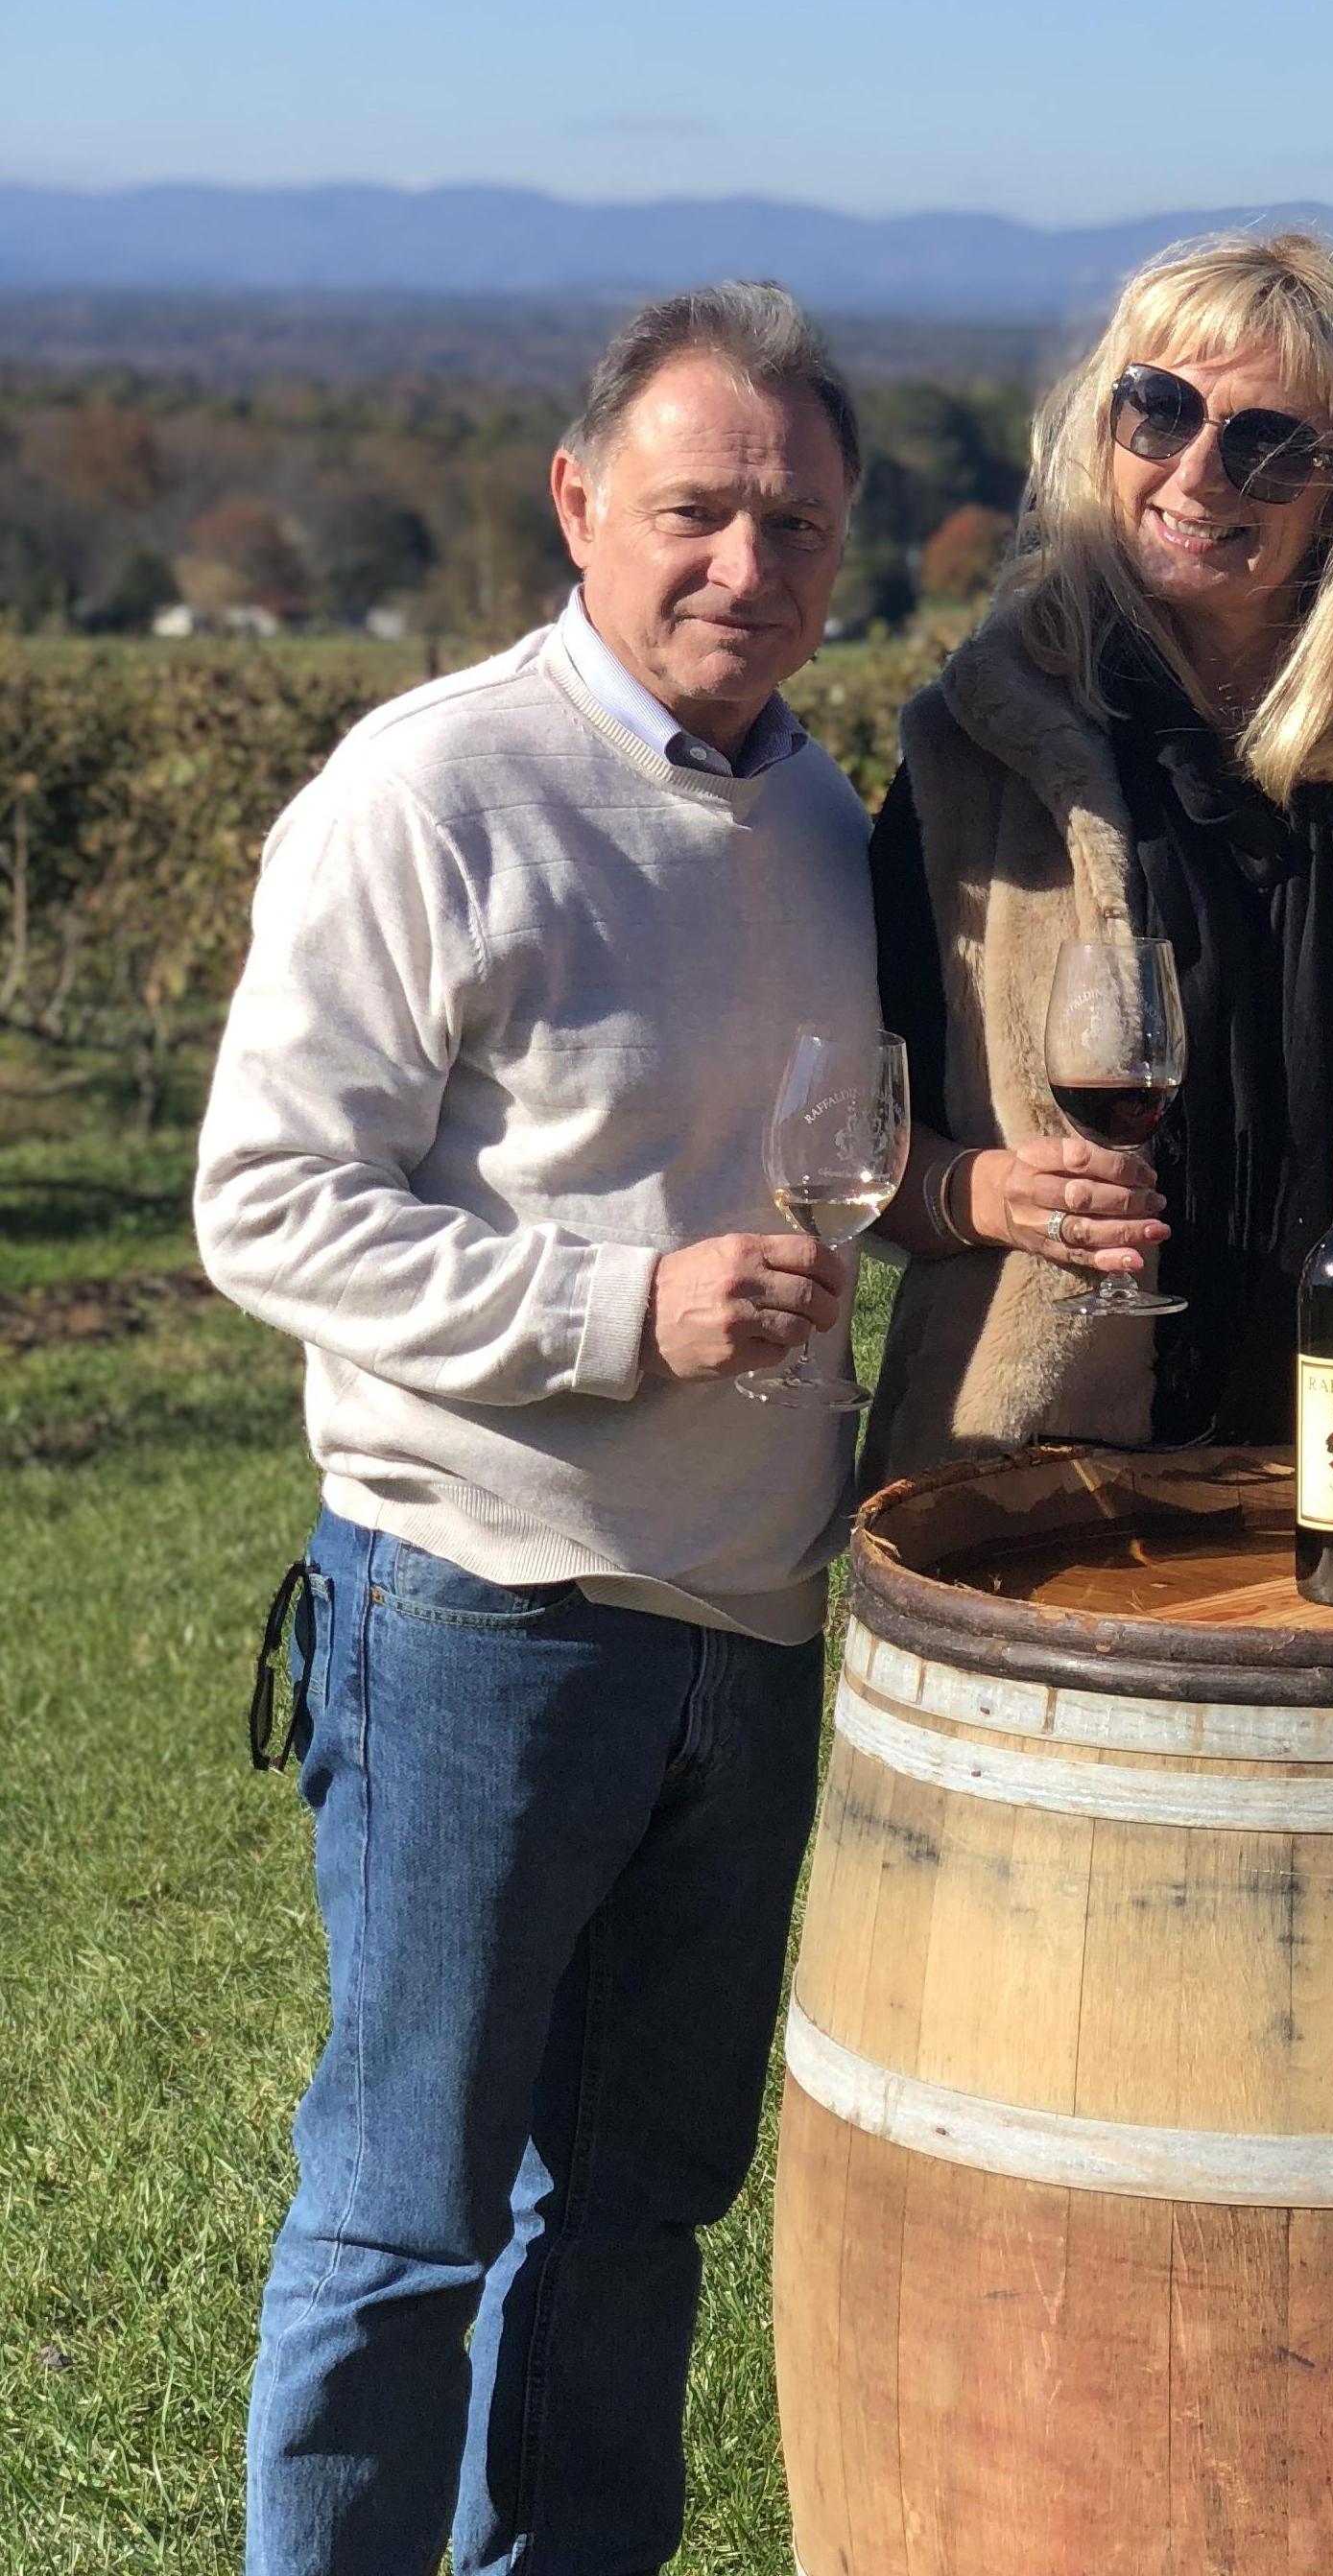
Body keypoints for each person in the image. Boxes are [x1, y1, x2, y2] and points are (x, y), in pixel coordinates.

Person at [196, 283, 882, 2570]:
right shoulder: (433, 789)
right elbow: (266, 1202)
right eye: (697, 510)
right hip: (481, 1608)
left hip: (748, 1624)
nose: (745, 565)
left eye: (796, 525)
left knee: (635, 2214)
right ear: (578, 502)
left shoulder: (824, 819)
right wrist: (615, 1307)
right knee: (404, 2215)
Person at [862, 229, 1333, 1474]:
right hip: (1041, 1474)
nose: (1199, 471)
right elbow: (843, 1133)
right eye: (1159, 409)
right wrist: (984, 1195)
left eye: (1268, 443)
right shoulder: (980, 752)